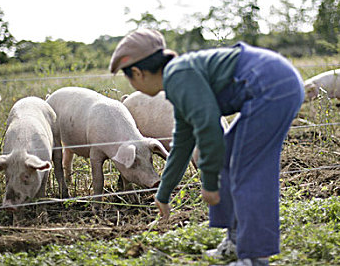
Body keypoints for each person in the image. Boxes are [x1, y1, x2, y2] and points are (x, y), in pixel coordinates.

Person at [110, 29, 304, 266]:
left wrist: (210, 183)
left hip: (273, 87)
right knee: (229, 158)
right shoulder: (177, 79)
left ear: (138, 73)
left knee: (247, 169)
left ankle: (255, 257)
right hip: (272, 84)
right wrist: (164, 191)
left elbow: (210, 129)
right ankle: (235, 242)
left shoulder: (180, 76)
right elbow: (183, 140)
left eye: (128, 77)